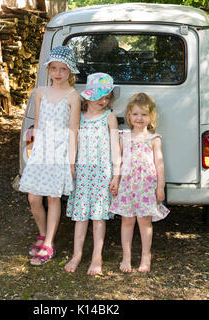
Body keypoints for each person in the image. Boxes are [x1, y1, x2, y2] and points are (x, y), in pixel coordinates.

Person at [19, 46, 81, 265]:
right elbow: (36, 125)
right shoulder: (39, 93)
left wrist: (72, 161)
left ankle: (49, 243)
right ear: (48, 69)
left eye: (62, 69)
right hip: (41, 150)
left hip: (60, 151)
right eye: (53, 68)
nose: (57, 73)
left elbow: (73, 130)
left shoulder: (73, 96)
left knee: (53, 197)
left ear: (70, 71)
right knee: (33, 197)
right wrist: (31, 151)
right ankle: (43, 233)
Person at [64, 73, 121, 275]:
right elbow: (73, 140)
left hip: (102, 173)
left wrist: (116, 174)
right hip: (82, 172)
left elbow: (115, 147)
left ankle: (97, 256)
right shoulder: (79, 117)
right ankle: (77, 254)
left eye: (107, 97)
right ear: (88, 96)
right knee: (81, 217)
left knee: (98, 217)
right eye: (100, 97)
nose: (104, 101)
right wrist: (70, 163)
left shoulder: (109, 117)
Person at [110, 93, 169, 273]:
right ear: (129, 116)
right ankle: (126, 257)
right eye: (135, 114)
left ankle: (146, 256)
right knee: (127, 221)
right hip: (127, 186)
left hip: (146, 187)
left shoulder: (154, 139)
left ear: (151, 117)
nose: (139, 118)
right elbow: (118, 161)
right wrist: (115, 179)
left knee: (144, 222)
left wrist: (160, 187)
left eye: (144, 114)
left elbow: (159, 163)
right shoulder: (123, 136)